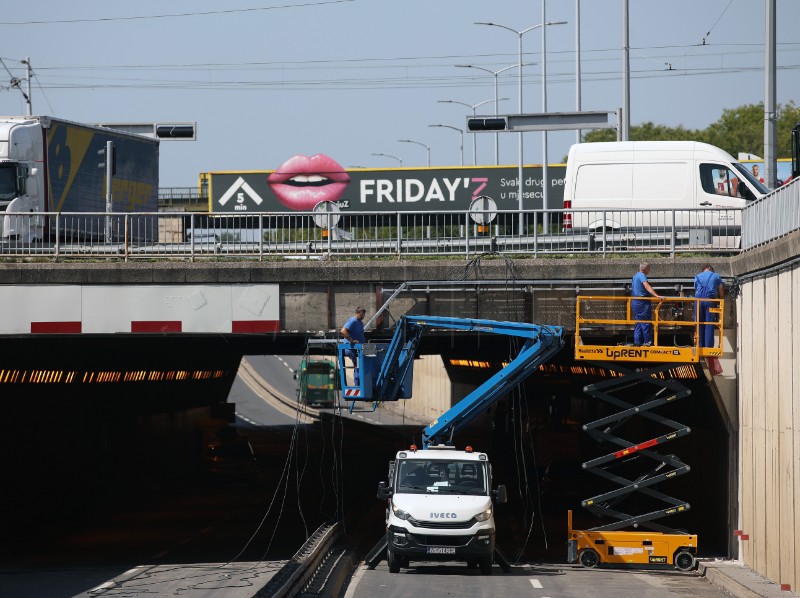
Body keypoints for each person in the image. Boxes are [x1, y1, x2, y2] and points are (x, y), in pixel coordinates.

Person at [631, 262, 662, 346]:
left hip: (635, 301)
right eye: (649, 268)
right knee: (646, 322)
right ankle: (648, 342)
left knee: (638, 323)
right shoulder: (642, 275)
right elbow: (646, 285)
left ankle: (637, 342)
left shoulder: (635, 275)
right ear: (645, 269)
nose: (650, 270)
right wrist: (656, 295)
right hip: (642, 302)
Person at [694, 265, 724, 348]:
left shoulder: (697, 276)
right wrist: (721, 299)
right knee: (709, 323)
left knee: (699, 323)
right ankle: (708, 346)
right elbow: (720, 288)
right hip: (710, 301)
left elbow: (696, 290)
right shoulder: (716, 276)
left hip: (698, 301)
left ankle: (699, 345)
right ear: (710, 268)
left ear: (703, 269)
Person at [341, 306, 366, 384]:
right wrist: (352, 340)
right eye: (361, 315)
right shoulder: (353, 321)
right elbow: (343, 331)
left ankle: (359, 383)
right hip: (351, 348)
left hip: (358, 348)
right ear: (357, 313)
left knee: (360, 365)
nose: (363, 317)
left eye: (364, 315)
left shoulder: (360, 323)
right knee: (358, 365)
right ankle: (358, 384)